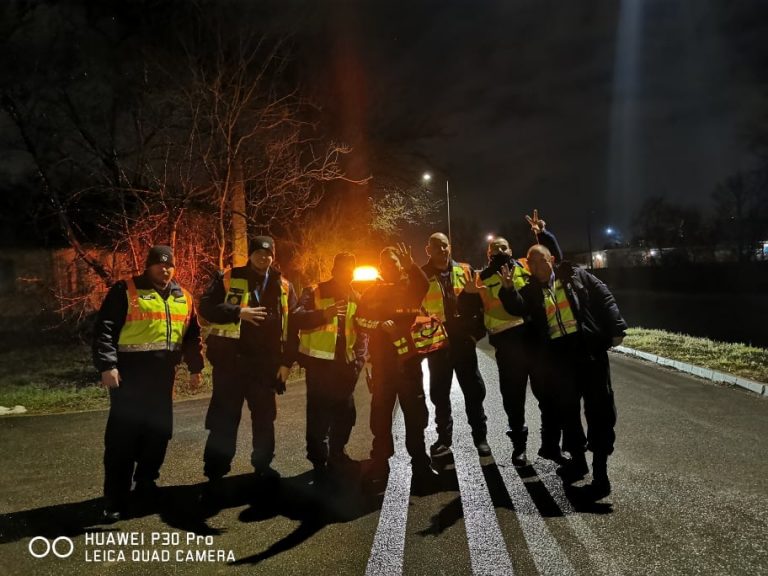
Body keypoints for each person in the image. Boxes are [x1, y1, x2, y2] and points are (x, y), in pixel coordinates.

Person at [498, 243, 627, 498]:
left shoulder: (575, 275)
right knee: (568, 412)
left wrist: (616, 327)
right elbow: (518, 307)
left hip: (588, 352)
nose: (536, 267)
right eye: (531, 264)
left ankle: (601, 474)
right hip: (559, 358)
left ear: (552, 259)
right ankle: (577, 461)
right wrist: (508, 288)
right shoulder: (532, 289)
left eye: (540, 261)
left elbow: (604, 296)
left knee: (599, 411)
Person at [93, 245, 204, 521]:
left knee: (158, 435)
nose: (163, 269)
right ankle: (115, 500)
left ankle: (146, 484)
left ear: (174, 268)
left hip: (163, 380)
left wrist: (195, 368)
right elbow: (104, 329)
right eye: (158, 264)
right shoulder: (125, 290)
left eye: (168, 265)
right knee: (122, 440)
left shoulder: (184, 297)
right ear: (148, 266)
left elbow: (192, 336)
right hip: (129, 380)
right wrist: (107, 365)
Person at [199, 236, 298, 494]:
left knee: (265, 419)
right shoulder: (229, 277)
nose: (263, 258)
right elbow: (206, 307)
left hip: (265, 366)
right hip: (231, 364)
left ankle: (262, 465)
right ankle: (216, 471)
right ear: (250, 254)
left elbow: (293, 327)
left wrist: (286, 364)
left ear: (273, 257)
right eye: (258, 253)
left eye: (268, 254)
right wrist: (237, 312)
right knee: (225, 418)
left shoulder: (284, 285)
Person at [471, 211, 566, 466]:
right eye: (495, 248)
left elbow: (550, 256)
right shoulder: (481, 278)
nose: (500, 251)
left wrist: (541, 232)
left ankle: (551, 446)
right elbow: (469, 306)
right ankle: (519, 448)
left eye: (504, 247)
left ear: (511, 250)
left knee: (547, 397)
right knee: (513, 401)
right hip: (506, 348)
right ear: (488, 254)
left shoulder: (525, 266)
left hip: (533, 343)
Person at [356, 243, 439, 492]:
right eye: (386, 263)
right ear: (381, 267)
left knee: (415, 415)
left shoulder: (411, 285)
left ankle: (421, 465)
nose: (390, 266)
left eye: (394, 262)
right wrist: (379, 325)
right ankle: (380, 464)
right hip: (383, 364)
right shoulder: (373, 290)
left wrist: (412, 265)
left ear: (399, 264)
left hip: (409, 363)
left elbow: (424, 285)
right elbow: (358, 320)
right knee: (380, 415)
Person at [291, 252, 367, 484]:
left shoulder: (356, 295)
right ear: (334, 270)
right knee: (318, 416)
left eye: (350, 270)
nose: (346, 273)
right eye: (342, 269)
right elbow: (296, 318)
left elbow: (362, 332)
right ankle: (319, 461)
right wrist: (325, 313)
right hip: (320, 365)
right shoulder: (315, 290)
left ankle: (337, 454)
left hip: (346, 366)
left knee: (346, 414)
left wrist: (359, 360)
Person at [421, 232, 490, 459]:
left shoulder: (465, 270)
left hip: (463, 342)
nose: (442, 250)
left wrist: (475, 334)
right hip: (437, 344)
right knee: (440, 394)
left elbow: (483, 304)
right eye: (436, 246)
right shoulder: (420, 276)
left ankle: (481, 438)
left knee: (473, 390)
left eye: (445, 246)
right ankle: (444, 439)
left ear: (449, 247)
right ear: (427, 249)